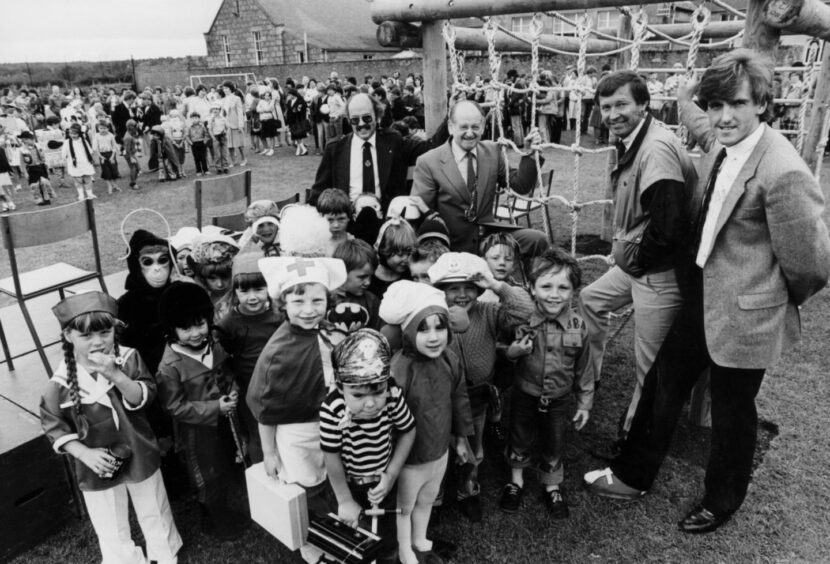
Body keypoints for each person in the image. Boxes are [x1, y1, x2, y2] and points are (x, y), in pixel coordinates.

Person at [584, 48, 830, 534]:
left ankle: (721, 500)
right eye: (715, 106)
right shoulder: (720, 139)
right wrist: (686, 97)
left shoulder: (784, 171)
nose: (723, 117)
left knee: (734, 412)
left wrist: (770, 300)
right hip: (699, 294)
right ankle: (634, 475)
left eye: (735, 104)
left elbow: (812, 264)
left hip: (747, 314)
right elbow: (698, 121)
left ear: (762, 103)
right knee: (662, 382)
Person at [577, 70, 698, 457]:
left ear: (644, 104)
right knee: (591, 299)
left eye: (621, 105)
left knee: (650, 363)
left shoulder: (657, 148)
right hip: (639, 266)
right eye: (606, 107)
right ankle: (588, 379)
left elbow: (670, 226)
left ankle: (633, 440)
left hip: (659, 272)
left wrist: (637, 262)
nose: (612, 114)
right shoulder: (638, 139)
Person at [40, 292, 182, 563]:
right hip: (97, 460)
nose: (98, 342)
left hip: (137, 446)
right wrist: (84, 454)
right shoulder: (59, 383)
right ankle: (123, 559)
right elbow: (53, 424)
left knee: (153, 504)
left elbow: (145, 396)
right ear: (68, 336)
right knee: (108, 518)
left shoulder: (128, 358)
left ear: (114, 330)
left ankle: (165, 554)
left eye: (105, 332)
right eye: (86, 336)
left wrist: (114, 375)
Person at [247, 256, 347, 562]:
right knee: (307, 487)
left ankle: (337, 534)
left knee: (332, 478)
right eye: (299, 300)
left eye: (317, 300)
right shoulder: (279, 350)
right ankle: (313, 547)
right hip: (295, 433)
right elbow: (266, 408)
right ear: (283, 303)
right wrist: (269, 452)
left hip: (331, 424)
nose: (308, 309)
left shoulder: (329, 333)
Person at [428, 252, 533, 522]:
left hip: (477, 396)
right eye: (453, 288)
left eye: (469, 287)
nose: (462, 294)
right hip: (440, 398)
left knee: (474, 450)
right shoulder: (433, 316)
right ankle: (434, 498)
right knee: (437, 452)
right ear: (441, 291)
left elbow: (526, 311)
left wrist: (497, 285)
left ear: (479, 289)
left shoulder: (489, 311)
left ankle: (467, 491)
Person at [379, 280, 473, 564]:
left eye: (439, 327)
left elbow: (459, 398)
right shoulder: (400, 369)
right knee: (405, 506)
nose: (433, 337)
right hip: (411, 457)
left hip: (439, 449)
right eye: (423, 329)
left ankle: (420, 538)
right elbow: (389, 420)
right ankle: (404, 547)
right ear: (407, 332)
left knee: (428, 498)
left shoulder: (450, 360)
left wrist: (461, 437)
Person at [499, 248, 592, 519]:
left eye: (563, 287)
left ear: (574, 290)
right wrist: (511, 352)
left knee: (555, 441)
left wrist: (585, 402)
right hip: (524, 394)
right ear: (531, 287)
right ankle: (516, 481)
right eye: (546, 286)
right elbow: (499, 350)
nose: (554, 294)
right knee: (519, 435)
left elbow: (585, 367)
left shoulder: (578, 326)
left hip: (560, 398)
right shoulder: (520, 321)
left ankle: (552, 485)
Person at [156, 281, 249, 540]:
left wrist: (233, 390)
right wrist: (214, 408)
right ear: (171, 329)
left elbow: (229, 375)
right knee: (207, 476)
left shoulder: (214, 345)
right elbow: (174, 406)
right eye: (185, 328)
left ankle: (228, 509)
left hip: (226, 423)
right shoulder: (170, 366)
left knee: (228, 463)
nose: (195, 333)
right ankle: (215, 521)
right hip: (197, 433)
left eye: (200, 324)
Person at [320, 329, 416, 564]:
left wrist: (390, 476)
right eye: (358, 395)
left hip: (383, 483)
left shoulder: (392, 395)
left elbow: (408, 430)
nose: (371, 402)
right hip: (347, 486)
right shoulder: (332, 409)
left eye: (377, 391)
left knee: (387, 540)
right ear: (341, 386)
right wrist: (344, 500)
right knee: (350, 542)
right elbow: (330, 456)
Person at [411, 100, 547, 256]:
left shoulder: (492, 151)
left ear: (482, 127)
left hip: (490, 238)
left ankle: (533, 280)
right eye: (463, 127)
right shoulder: (428, 161)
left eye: (475, 127)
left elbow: (520, 186)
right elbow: (421, 212)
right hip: (450, 243)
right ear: (450, 127)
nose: (470, 133)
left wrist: (530, 153)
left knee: (537, 239)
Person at [308, 92, 448, 212]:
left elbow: (431, 147)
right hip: (348, 226)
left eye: (367, 118)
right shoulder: (335, 148)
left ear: (377, 115)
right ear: (349, 120)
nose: (362, 124)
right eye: (355, 120)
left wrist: (451, 113)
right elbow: (318, 194)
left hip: (387, 224)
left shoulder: (393, 141)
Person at [215, 254, 284, 465]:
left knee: (282, 430)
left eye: (259, 289)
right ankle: (263, 476)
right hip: (249, 388)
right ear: (235, 291)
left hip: (280, 383)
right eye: (244, 291)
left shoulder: (279, 315)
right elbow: (224, 358)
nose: (252, 297)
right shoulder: (229, 322)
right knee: (257, 432)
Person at [328, 238, 380, 333]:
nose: (368, 282)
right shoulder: (326, 298)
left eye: (370, 276)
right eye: (362, 277)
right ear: (342, 272)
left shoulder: (371, 301)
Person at [369, 217, 417, 299]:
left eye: (409, 253)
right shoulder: (369, 279)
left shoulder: (411, 276)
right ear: (383, 251)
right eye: (400, 254)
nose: (406, 259)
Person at [18, 130, 56, 205]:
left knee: (44, 182)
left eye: (26, 139)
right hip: (31, 168)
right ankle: (38, 199)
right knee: (34, 185)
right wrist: (25, 172)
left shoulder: (38, 146)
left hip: (41, 166)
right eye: (23, 140)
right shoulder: (22, 150)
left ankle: (46, 198)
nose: (24, 141)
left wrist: (46, 166)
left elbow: (44, 156)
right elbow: (22, 162)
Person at [63, 122, 96, 201]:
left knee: (87, 179)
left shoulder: (83, 141)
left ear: (79, 134)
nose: (72, 135)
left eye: (75, 134)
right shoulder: (67, 142)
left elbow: (90, 151)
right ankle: (81, 195)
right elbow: (64, 153)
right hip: (75, 164)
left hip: (85, 163)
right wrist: (65, 162)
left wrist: (91, 159)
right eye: (71, 133)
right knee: (78, 180)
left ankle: (89, 194)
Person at [315, 187, 354, 256]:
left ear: (349, 217)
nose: (336, 225)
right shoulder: (315, 245)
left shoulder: (353, 244)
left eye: (341, 219)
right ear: (320, 219)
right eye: (330, 220)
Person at [221, 81, 247, 167]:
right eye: (224, 88)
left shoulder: (237, 98)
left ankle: (244, 159)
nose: (225, 90)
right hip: (227, 125)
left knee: (239, 144)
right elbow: (222, 113)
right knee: (229, 145)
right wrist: (222, 124)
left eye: (227, 88)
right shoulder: (223, 100)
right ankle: (233, 161)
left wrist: (240, 124)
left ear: (231, 89)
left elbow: (240, 112)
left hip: (236, 123)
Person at [92, 122, 121, 194]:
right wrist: (100, 156)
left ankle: (115, 186)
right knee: (106, 171)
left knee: (114, 170)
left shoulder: (110, 135)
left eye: (105, 128)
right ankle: (109, 186)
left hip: (111, 154)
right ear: (98, 128)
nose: (103, 130)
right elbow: (96, 147)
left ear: (108, 128)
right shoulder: (96, 136)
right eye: (101, 128)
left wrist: (112, 156)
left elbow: (114, 145)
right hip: (102, 154)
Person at [186, 112, 210, 176]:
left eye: (196, 118)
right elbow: (187, 136)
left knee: (203, 157)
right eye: (193, 118)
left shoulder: (202, 126)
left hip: (201, 142)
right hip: (194, 144)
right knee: (196, 158)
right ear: (191, 119)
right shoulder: (189, 128)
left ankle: (205, 169)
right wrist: (190, 143)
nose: (194, 119)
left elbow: (206, 134)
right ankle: (198, 170)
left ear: (199, 119)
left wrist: (204, 141)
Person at [122, 119, 142, 190]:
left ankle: (133, 182)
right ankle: (133, 184)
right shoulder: (128, 137)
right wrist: (131, 157)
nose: (136, 127)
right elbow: (127, 149)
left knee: (138, 169)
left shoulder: (130, 134)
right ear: (131, 127)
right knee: (133, 168)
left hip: (131, 154)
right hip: (129, 155)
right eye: (135, 126)